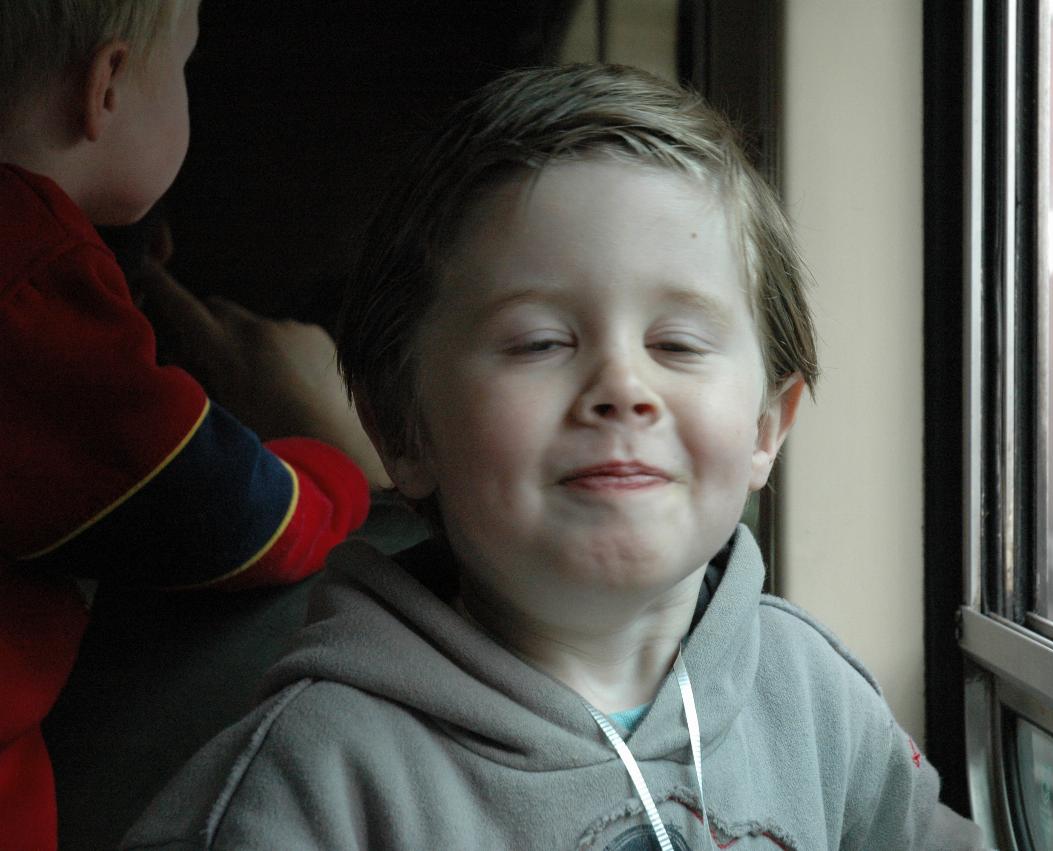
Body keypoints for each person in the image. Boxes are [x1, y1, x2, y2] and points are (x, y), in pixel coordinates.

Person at [123, 64, 985, 849]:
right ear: (403, 433)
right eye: (539, 342)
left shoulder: (815, 696)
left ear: (767, 427)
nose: (622, 383)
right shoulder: (315, 781)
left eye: (679, 343)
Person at [0, 2, 385, 847]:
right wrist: (334, 465)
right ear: (103, 88)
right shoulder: (31, 274)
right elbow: (209, 505)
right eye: (183, 67)